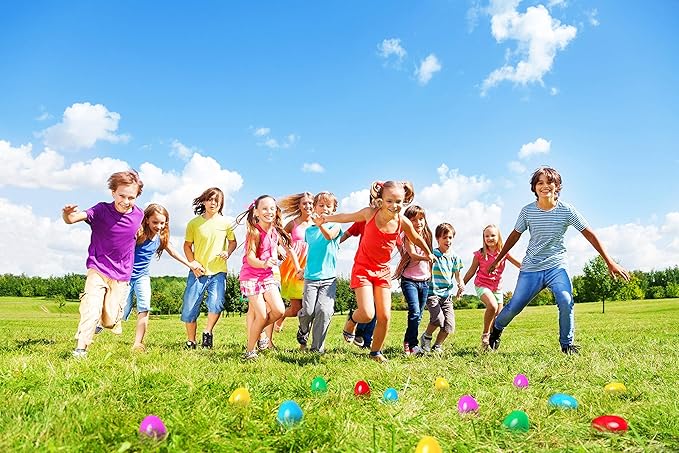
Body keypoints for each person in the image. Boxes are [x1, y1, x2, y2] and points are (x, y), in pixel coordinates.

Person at [487, 166, 630, 354]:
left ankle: (567, 345)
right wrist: (498, 259)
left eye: (550, 182)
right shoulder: (527, 212)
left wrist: (609, 261)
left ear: (557, 186)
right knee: (514, 306)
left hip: (556, 265)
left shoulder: (566, 210)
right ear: (534, 187)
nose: (545, 186)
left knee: (565, 299)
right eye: (540, 183)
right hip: (531, 267)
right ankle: (496, 328)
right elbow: (515, 235)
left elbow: (589, 234)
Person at [318, 180, 434, 363]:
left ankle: (375, 352)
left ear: (404, 201)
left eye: (398, 202)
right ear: (381, 199)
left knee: (385, 316)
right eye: (389, 201)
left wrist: (428, 252)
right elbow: (346, 217)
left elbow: (416, 237)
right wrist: (325, 219)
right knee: (367, 313)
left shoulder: (402, 221)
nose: (394, 206)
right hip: (363, 269)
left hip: (383, 272)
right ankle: (351, 321)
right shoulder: (369, 213)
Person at [62, 170, 144, 358]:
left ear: (137, 197)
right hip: (98, 268)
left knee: (110, 320)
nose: (125, 201)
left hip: (122, 274)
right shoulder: (101, 210)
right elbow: (73, 219)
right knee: (91, 307)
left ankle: (101, 322)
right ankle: (81, 349)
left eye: (131, 197)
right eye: (121, 195)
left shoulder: (139, 215)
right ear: (113, 192)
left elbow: (139, 233)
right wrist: (67, 214)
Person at [123, 204, 204, 352]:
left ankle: (138, 343)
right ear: (146, 219)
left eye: (162, 223)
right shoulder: (138, 234)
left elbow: (173, 252)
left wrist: (190, 264)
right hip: (125, 277)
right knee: (122, 310)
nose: (159, 226)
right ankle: (101, 321)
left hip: (142, 277)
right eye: (155, 222)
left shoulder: (161, 237)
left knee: (144, 307)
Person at [237, 195, 300, 360]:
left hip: (267, 276)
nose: (269, 211)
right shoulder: (254, 232)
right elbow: (250, 258)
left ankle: (257, 332)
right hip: (251, 278)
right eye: (264, 208)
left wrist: (294, 264)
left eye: (272, 208)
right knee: (262, 315)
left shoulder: (275, 231)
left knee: (279, 310)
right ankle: (250, 351)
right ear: (256, 212)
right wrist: (264, 263)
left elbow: (287, 248)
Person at [180, 188, 237, 350]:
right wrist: (192, 263)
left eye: (217, 200)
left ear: (221, 204)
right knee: (189, 307)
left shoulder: (226, 223)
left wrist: (227, 252)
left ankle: (207, 332)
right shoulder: (194, 223)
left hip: (218, 271)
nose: (213, 203)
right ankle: (191, 341)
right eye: (210, 199)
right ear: (204, 201)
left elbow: (233, 242)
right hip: (198, 272)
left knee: (216, 303)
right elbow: (187, 246)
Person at [297, 191, 342, 353]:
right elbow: (311, 253)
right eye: (321, 205)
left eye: (328, 206)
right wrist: (303, 269)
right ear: (315, 207)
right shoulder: (309, 231)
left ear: (334, 209)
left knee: (323, 311)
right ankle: (303, 330)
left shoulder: (336, 226)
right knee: (308, 311)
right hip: (310, 278)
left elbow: (329, 237)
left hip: (328, 279)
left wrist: (321, 224)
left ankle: (317, 348)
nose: (324, 209)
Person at [463, 224, 521, 351]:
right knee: (492, 306)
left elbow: (519, 264)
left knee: (498, 319)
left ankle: (488, 344)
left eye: (493, 235)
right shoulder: (480, 254)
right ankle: (485, 335)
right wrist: (462, 285)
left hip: (497, 288)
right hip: (482, 285)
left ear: (498, 237)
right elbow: (471, 271)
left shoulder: (504, 253)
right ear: (483, 238)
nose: (489, 238)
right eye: (486, 236)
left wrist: (533, 270)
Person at [271, 192, 313, 335]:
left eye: (310, 203)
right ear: (299, 206)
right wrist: (279, 248)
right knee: (295, 310)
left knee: (310, 305)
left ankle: (304, 333)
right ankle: (281, 316)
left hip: (311, 265)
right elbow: (277, 236)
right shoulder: (293, 223)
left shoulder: (318, 223)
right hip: (294, 267)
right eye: (304, 203)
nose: (308, 206)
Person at [394, 205, 433, 356]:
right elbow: (412, 254)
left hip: (424, 281)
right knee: (415, 312)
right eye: (414, 220)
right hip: (409, 280)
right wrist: (427, 257)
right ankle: (411, 344)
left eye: (421, 219)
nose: (418, 223)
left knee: (420, 314)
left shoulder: (427, 235)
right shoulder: (407, 235)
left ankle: (410, 342)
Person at [419, 223, 464, 353]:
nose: (448, 240)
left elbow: (458, 275)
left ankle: (437, 345)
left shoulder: (455, 258)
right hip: (432, 293)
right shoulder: (433, 254)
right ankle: (426, 337)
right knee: (438, 319)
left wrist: (461, 284)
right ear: (438, 239)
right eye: (444, 237)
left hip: (447, 296)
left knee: (449, 325)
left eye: (450, 237)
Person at [340, 221, 375, 349]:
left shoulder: (391, 220)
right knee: (367, 308)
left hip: (381, 270)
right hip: (363, 269)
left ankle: (366, 340)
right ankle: (354, 323)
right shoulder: (364, 220)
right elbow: (346, 234)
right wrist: (331, 245)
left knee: (377, 309)